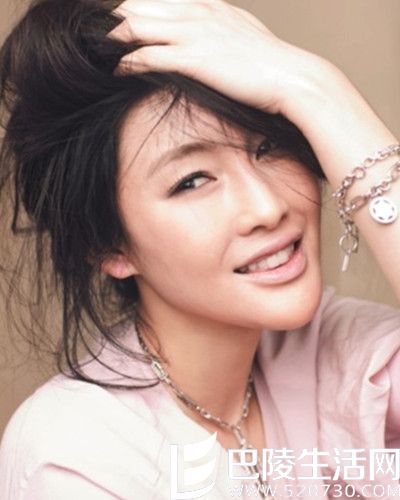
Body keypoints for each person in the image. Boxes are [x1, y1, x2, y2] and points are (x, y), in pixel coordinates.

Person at [0, 0, 398, 498]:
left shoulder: (338, 355)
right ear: (109, 246)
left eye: (268, 146)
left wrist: (315, 87)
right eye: (192, 181)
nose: (267, 207)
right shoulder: (77, 456)